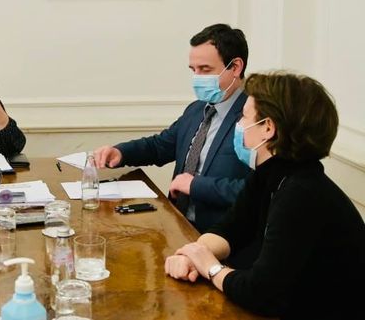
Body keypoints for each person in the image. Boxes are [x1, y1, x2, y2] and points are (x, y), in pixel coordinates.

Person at [164, 72, 365, 319]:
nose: (238, 124)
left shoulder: (302, 194)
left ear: (268, 128)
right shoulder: (269, 174)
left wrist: (211, 268)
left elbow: (261, 293)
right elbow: (232, 229)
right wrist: (193, 254)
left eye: (244, 116)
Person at [93, 24, 252, 232]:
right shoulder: (196, 109)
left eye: (205, 70)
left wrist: (195, 186)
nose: (197, 78)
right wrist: (121, 152)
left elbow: (259, 190)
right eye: (193, 70)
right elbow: (160, 146)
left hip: (221, 235)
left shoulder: (255, 118)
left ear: (236, 67)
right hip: (177, 224)